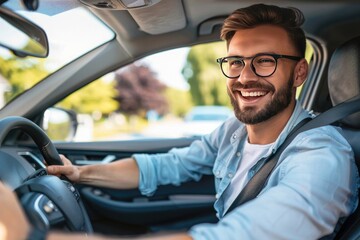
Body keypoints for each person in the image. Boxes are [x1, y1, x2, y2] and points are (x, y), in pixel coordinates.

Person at [0, 3, 358, 240]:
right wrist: (81, 174)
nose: (245, 77)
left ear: (299, 73)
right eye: (235, 62)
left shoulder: (322, 156)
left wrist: (32, 235)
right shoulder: (234, 132)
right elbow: (169, 165)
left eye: (265, 61)